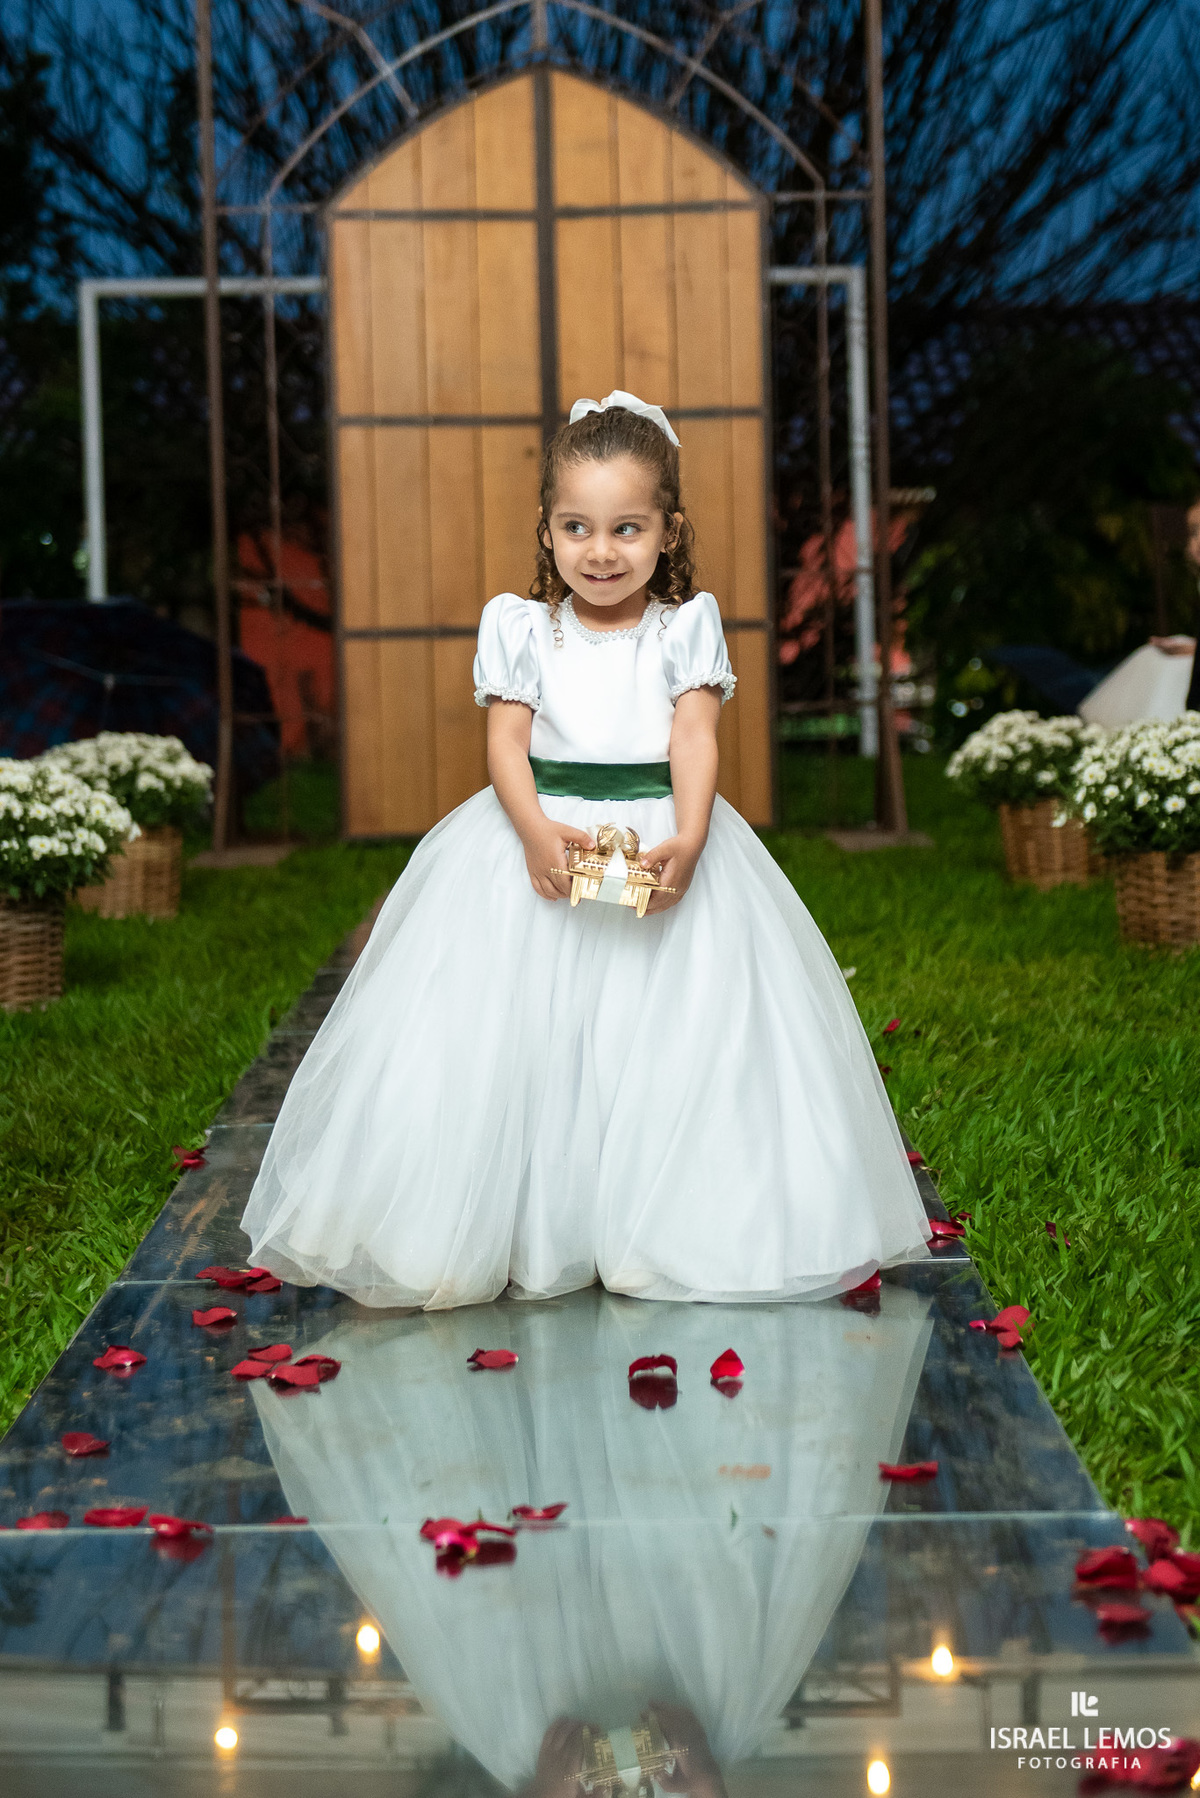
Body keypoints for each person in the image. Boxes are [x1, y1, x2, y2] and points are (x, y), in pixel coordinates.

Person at [240, 391, 932, 1307]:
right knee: (521, 1033)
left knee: (673, 1030)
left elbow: (693, 738)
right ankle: (529, 1219)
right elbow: (505, 745)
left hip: (656, 833)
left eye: (626, 529)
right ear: (548, 529)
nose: (601, 551)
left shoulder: (684, 627)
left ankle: (665, 1223)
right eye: (578, 528)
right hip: (543, 834)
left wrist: (691, 834)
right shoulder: (522, 628)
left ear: (668, 532)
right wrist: (532, 830)